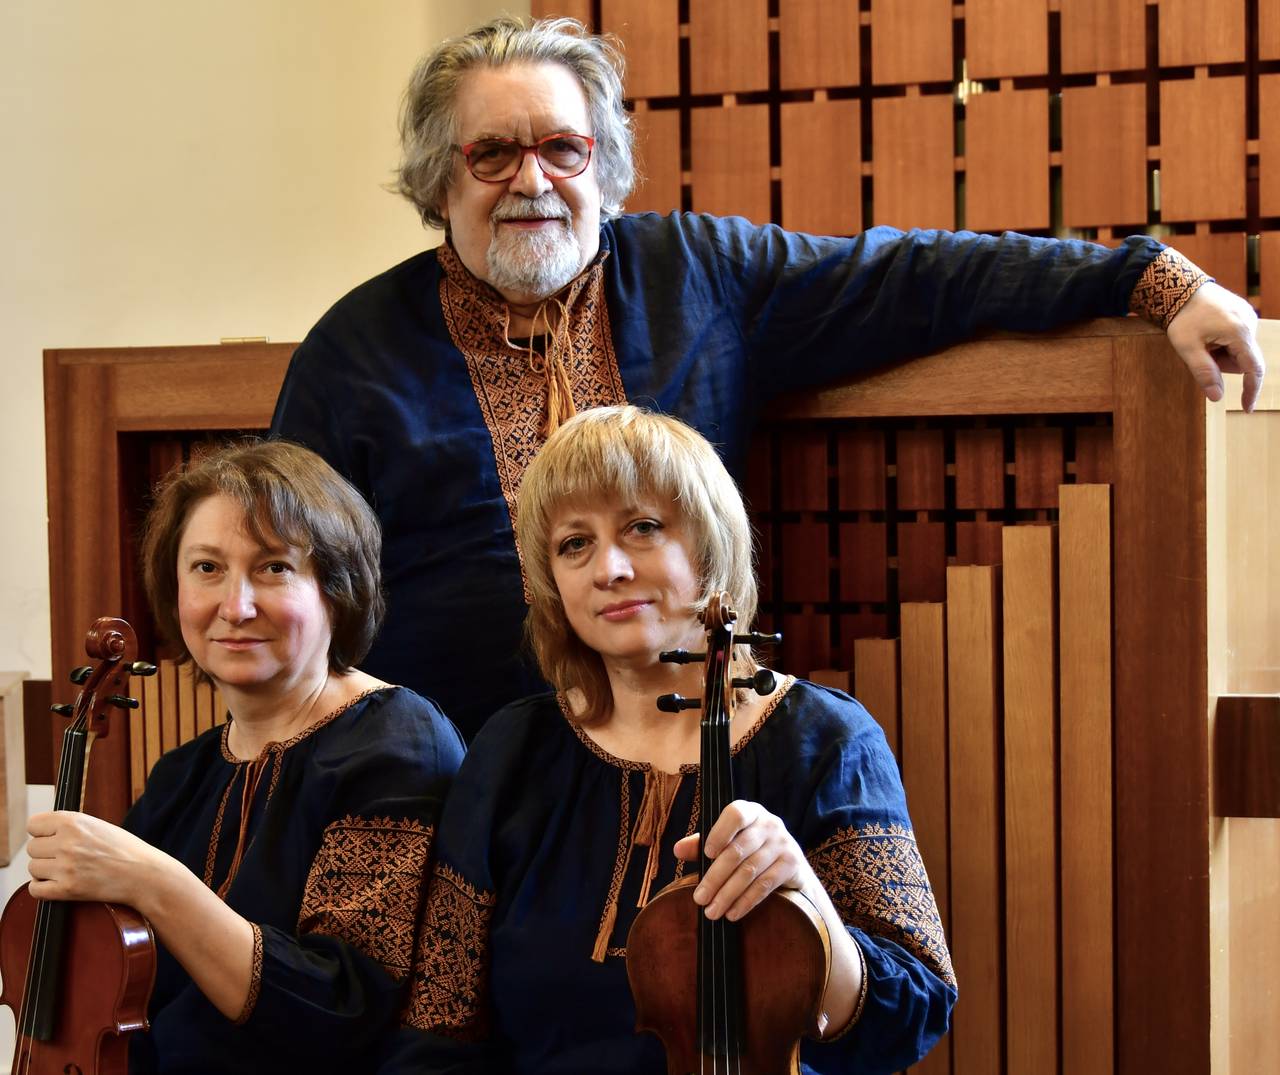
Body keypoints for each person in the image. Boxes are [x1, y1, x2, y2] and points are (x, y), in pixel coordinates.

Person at [270, 16, 1266, 741]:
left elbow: (911, 276)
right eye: (491, 153)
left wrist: (1149, 278)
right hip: (458, 788)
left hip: (694, 749)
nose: (531, 181)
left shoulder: (701, 273)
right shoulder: (353, 353)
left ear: (603, 166)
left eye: (562, 148)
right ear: (440, 178)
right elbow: (296, 599)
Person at [386, 405, 954, 1073]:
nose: (610, 568)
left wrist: (811, 906)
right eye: (575, 544)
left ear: (709, 547)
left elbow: (914, 1012)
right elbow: (439, 1027)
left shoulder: (826, 740)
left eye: (643, 527)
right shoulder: (512, 750)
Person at [23, 441, 465, 1074]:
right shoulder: (184, 774)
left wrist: (153, 879)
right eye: (207, 568)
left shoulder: (395, 744)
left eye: (274, 568)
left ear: (335, 589)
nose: (235, 607)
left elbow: (340, 1009)